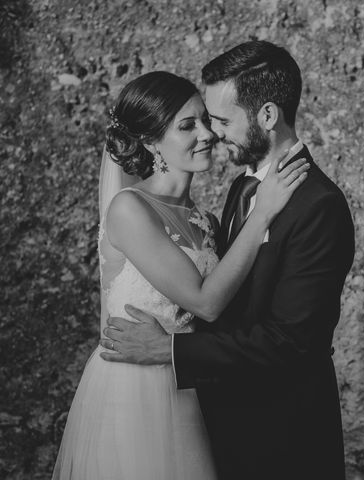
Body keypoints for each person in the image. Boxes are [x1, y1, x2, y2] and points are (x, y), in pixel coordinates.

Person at [101, 41, 355, 479]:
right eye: (197, 123)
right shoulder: (242, 189)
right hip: (203, 414)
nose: (212, 133)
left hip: (283, 436)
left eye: (219, 119)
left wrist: (172, 349)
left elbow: (293, 342)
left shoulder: (319, 205)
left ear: (268, 116)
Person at [52, 70, 308, 480]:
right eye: (187, 126)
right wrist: (263, 213)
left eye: (206, 120)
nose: (207, 134)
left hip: (189, 386)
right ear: (152, 141)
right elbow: (206, 303)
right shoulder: (129, 209)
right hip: (133, 391)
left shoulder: (205, 219)